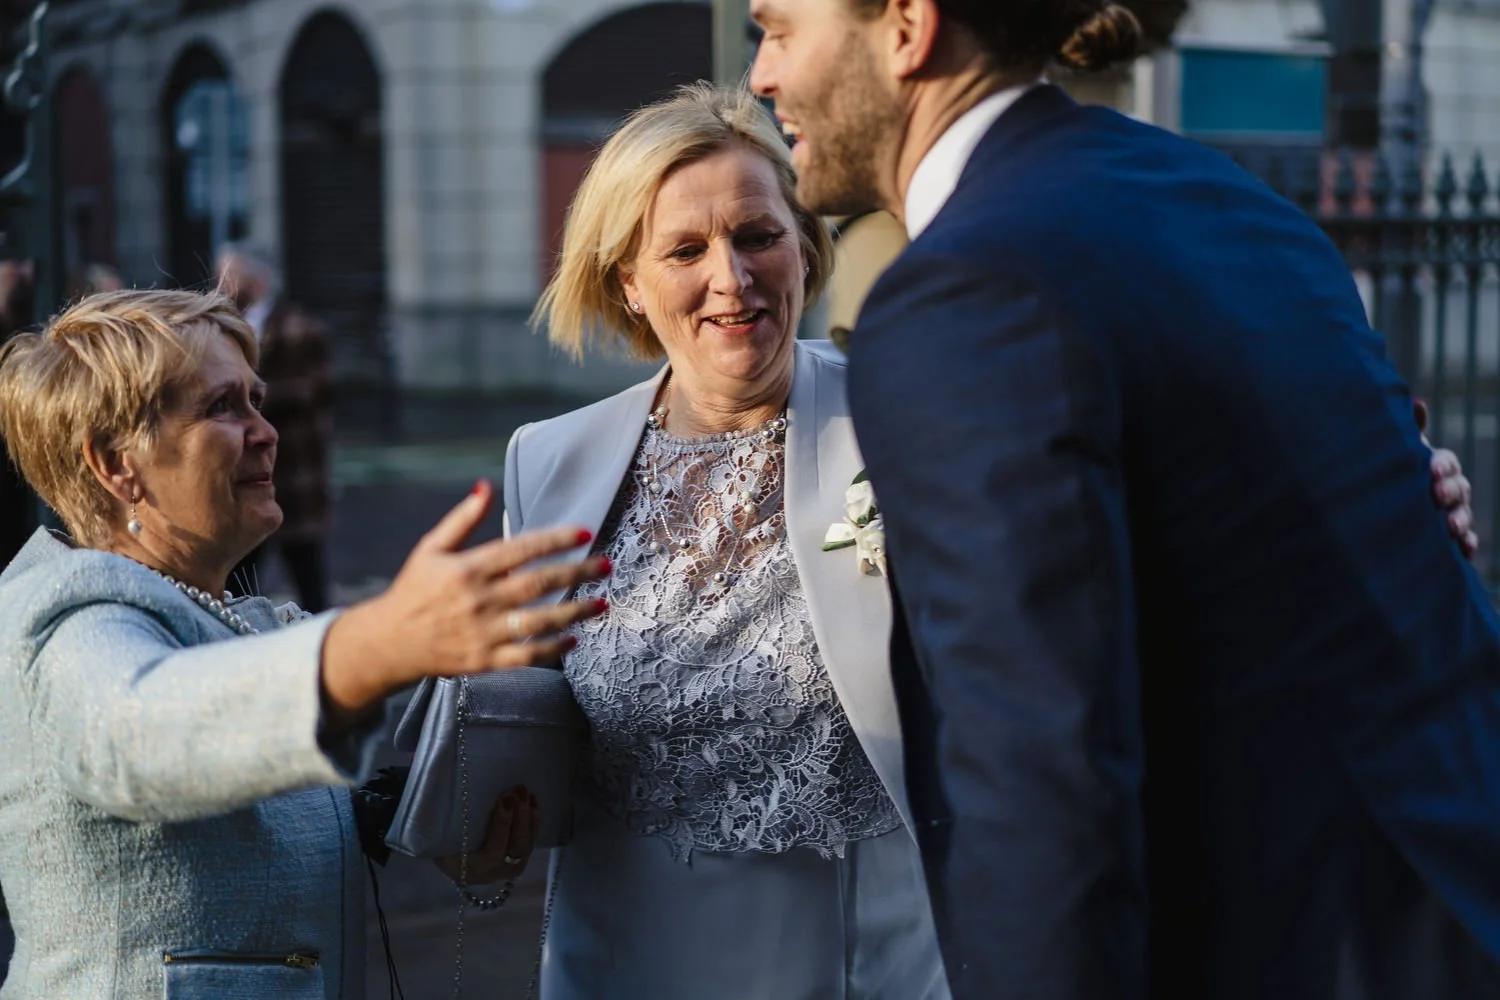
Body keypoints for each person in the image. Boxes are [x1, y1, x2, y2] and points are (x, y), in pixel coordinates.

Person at [750, 1, 1500, 998]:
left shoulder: (966, 292)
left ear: (906, 29)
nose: (761, 73)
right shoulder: (1216, 194)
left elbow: (1042, 778)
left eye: (779, 27)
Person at [0, 289, 608, 999]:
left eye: (258, 401)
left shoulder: (247, 619)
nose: (268, 431)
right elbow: (141, 731)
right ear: (115, 462)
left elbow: (241, 820)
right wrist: (379, 641)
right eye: (223, 407)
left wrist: (423, 827)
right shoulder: (65, 617)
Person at [511, 84, 946, 998]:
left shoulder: (906, 422)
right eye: (684, 250)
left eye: (757, 236)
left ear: (803, 244)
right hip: (622, 960)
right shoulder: (547, 464)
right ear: (628, 280)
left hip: (860, 962)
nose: (731, 279)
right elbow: (528, 719)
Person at [216, 243, 334, 611]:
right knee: (242, 572)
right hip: (247, 471)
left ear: (258, 280)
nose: (223, 286)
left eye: (230, 275)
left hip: (294, 471)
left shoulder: (298, 327)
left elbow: (317, 389)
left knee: (305, 570)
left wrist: (249, 396)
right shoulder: (226, 331)